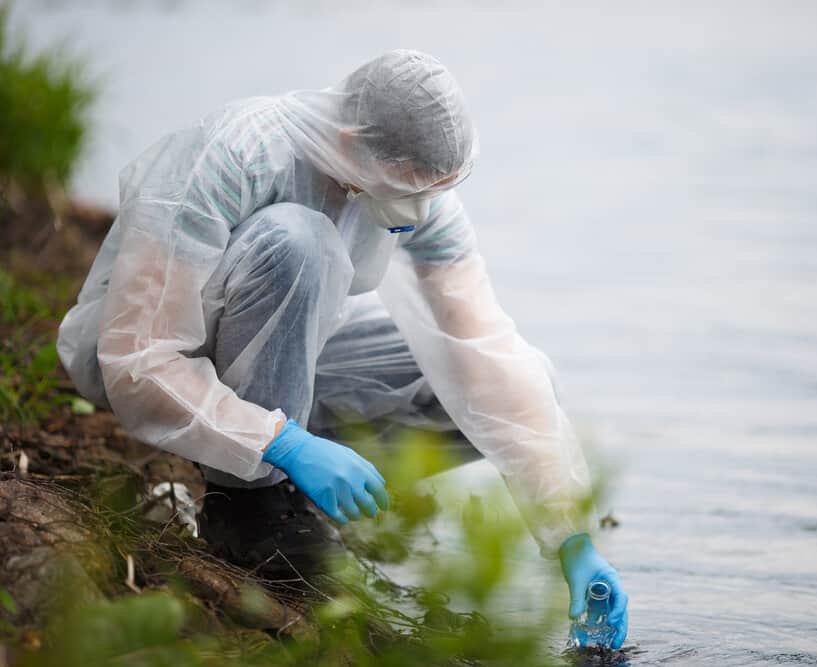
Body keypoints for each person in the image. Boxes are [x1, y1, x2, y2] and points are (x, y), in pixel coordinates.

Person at [57, 49, 628, 648]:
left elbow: (483, 347)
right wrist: (283, 442)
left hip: (283, 353)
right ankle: (248, 505)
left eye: (438, 187)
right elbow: (138, 354)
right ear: (355, 143)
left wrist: (572, 539)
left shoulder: (414, 191)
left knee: (519, 376)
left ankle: (297, 485)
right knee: (297, 240)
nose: (422, 205)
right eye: (410, 183)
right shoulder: (239, 156)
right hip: (166, 356)